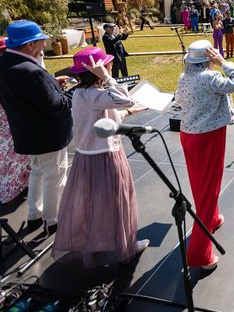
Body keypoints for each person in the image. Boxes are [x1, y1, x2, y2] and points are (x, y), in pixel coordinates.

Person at [53, 47, 149, 266]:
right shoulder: (95, 95)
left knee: (93, 202)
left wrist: (128, 113)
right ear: (97, 71)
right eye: (107, 64)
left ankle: (94, 241)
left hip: (86, 157)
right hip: (104, 156)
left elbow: (107, 112)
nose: (111, 65)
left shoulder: (80, 93)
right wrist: (107, 78)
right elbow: (124, 99)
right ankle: (127, 245)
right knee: (119, 201)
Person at [175, 40, 234, 270]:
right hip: (208, 137)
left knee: (201, 186)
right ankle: (199, 255)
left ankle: (213, 218)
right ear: (209, 59)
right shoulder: (209, 78)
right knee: (209, 189)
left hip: (188, 134)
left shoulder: (183, 78)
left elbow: (178, 101)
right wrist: (224, 62)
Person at [0, 21, 72, 234]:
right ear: (29, 45)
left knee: (37, 172)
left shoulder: (4, 65)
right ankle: (53, 220)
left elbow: (26, 96)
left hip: (25, 133)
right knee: (55, 176)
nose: (44, 44)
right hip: (48, 136)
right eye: (41, 41)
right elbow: (54, 106)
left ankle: (34, 214)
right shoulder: (32, 72)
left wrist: (51, 84)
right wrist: (73, 93)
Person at [0, 37, 30, 204]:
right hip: (8, 119)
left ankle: (14, 185)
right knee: (11, 154)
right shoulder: (9, 69)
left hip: (8, 119)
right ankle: (11, 189)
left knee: (9, 155)